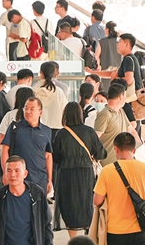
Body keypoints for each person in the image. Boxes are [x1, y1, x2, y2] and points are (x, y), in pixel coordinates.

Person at [93, 132, 145, 245]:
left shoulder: (107, 171)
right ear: (134, 150)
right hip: (141, 228)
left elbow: (97, 201)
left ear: (116, 149)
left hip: (115, 231)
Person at [52, 101, 107, 238]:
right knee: (86, 203)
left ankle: (74, 240)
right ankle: (89, 237)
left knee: (70, 206)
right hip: (86, 173)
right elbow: (101, 153)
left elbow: (56, 157)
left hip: (67, 174)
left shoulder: (61, 134)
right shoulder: (89, 131)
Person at [0, 156, 53, 245]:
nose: (13, 175)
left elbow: (46, 223)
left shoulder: (37, 193)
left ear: (25, 174)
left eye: (17, 171)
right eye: (9, 171)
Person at [2, 97, 53, 195]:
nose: (28, 112)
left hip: (40, 179)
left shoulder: (47, 131)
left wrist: (49, 179)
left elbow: (48, 155)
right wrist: (6, 172)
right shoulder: (15, 128)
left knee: (39, 204)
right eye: (26, 108)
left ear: (40, 112)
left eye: (32, 109)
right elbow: (5, 150)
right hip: (18, 178)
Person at [95, 83, 131, 165]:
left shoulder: (121, 111)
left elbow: (131, 130)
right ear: (121, 96)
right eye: (125, 96)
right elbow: (95, 137)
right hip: (107, 164)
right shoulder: (105, 114)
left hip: (122, 162)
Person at [33, 61, 68, 130]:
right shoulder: (58, 91)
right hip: (57, 128)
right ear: (54, 74)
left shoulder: (33, 90)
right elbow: (65, 110)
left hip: (38, 129)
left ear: (41, 74)